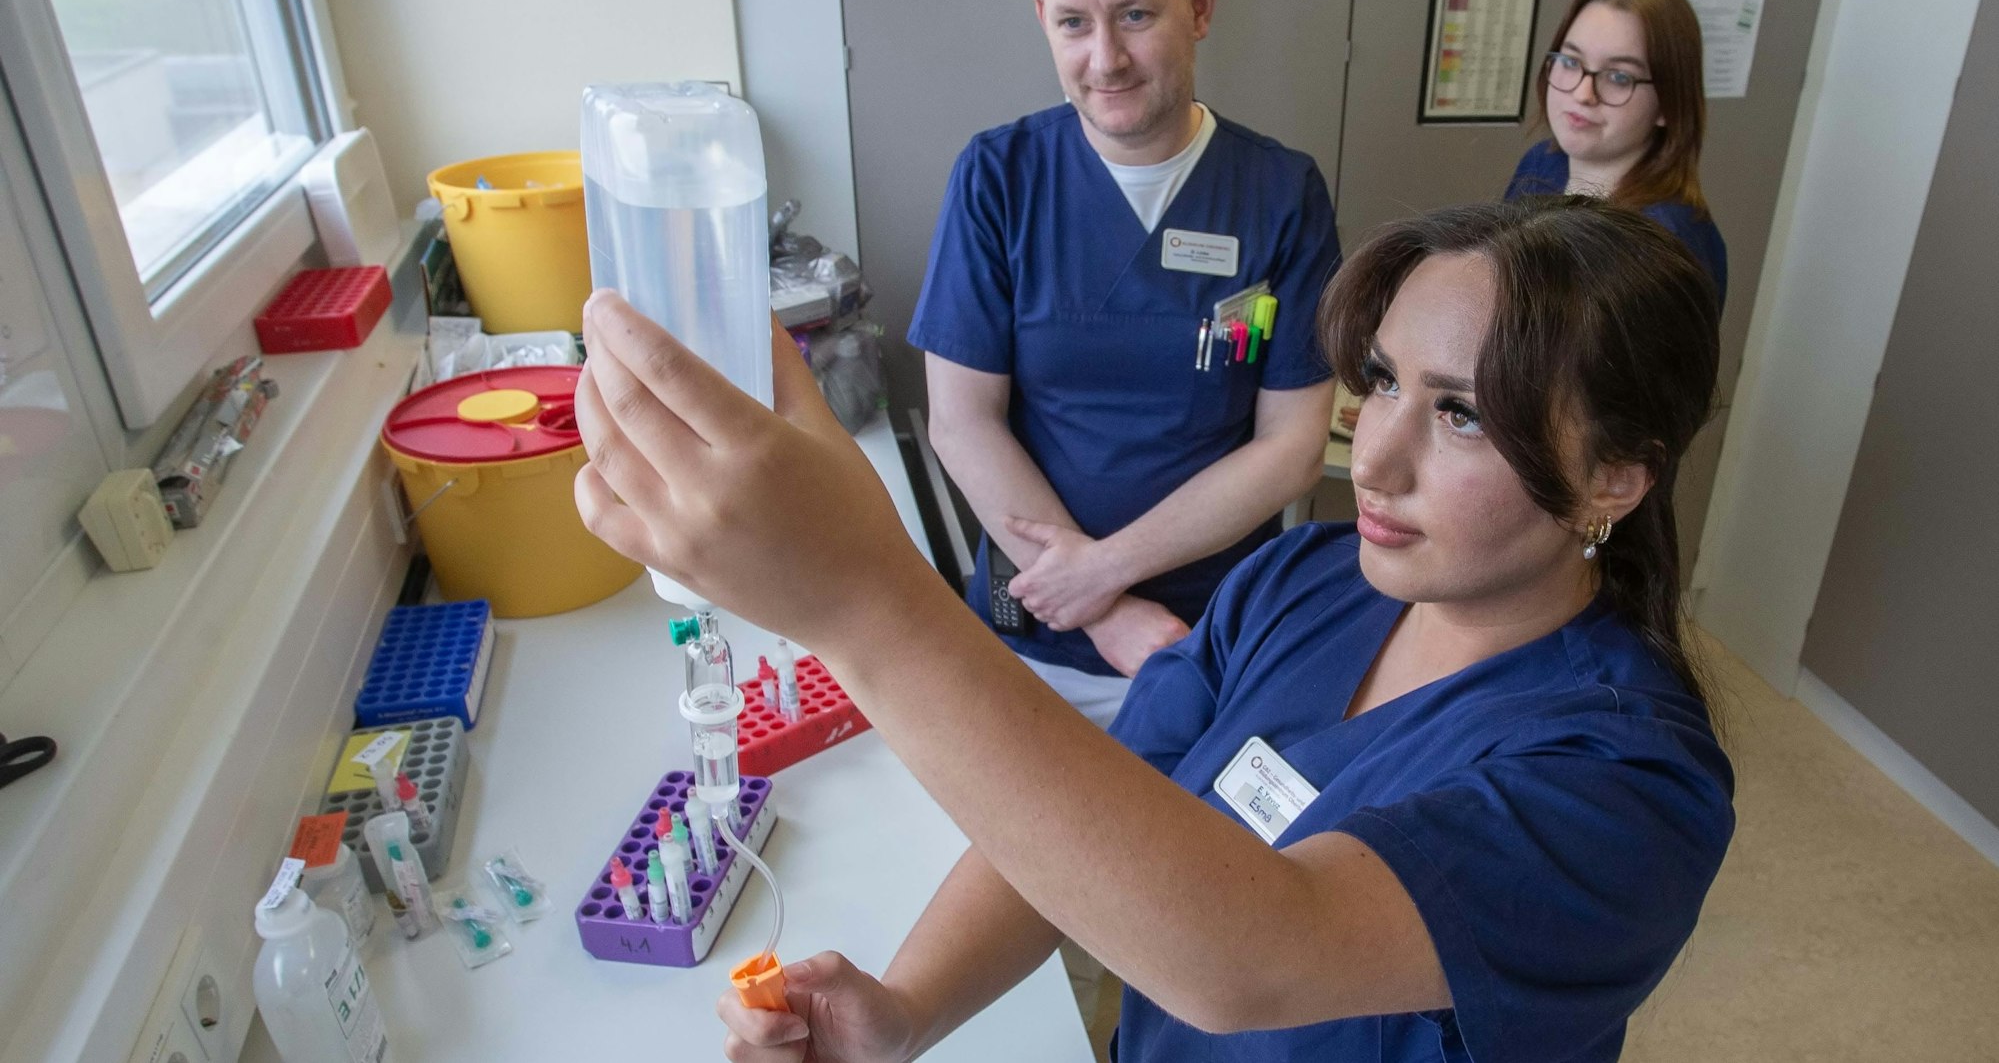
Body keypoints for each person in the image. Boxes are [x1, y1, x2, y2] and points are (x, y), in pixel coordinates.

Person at [571, 193, 1734, 1062]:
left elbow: (1252, 953)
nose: (1370, 457)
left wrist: (861, 601)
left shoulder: (1628, 783)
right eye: (1379, 381)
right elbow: (1088, 814)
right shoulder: (1305, 581)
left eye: (1463, 415)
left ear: (1614, 480)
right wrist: (908, 1005)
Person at [909, 0, 1341, 727]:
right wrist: (1101, 609)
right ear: (1044, 19)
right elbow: (961, 420)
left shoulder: (1280, 194)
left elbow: (1293, 447)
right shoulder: (998, 179)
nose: (1104, 59)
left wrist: (1105, 570)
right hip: (1034, 631)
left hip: (1204, 636)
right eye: (1073, 23)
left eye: (1134, 15)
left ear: (1199, 7)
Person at [1507, 0, 1729, 306]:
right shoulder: (1542, 164)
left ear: (1668, 104)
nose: (1583, 93)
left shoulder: (1666, 238)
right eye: (1571, 61)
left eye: (1618, 77)